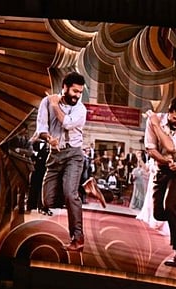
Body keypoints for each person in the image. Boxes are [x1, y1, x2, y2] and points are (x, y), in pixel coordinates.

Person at [35, 71, 105, 252]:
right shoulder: (46, 103)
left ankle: (78, 238)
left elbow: (66, 122)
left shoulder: (80, 109)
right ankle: (86, 187)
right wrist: (48, 138)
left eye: (80, 92)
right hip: (54, 155)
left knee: (70, 195)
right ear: (64, 87)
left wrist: (54, 104)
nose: (77, 96)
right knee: (47, 202)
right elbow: (41, 127)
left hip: (74, 154)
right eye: (74, 91)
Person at [144, 97, 176, 268]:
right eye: (175, 118)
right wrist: (166, 162)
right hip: (162, 167)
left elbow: (170, 146)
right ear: (169, 112)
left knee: (172, 206)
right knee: (159, 214)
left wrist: (156, 125)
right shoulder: (155, 119)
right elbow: (151, 149)